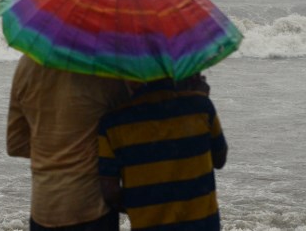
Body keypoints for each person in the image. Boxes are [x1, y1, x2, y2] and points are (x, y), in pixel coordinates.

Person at [7, 54, 129, 231]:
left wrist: (50, 152)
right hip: (91, 207)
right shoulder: (101, 67)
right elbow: (125, 134)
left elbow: (15, 143)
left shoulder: (26, 65)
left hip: (44, 209)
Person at [97, 77, 228, 230]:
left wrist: (144, 206)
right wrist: (198, 100)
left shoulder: (112, 122)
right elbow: (219, 159)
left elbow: (109, 192)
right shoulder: (200, 106)